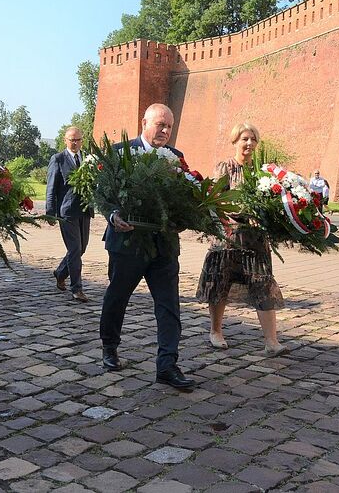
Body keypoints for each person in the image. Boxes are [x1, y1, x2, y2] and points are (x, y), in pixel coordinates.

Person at [99, 103, 196, 391]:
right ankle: (109, 347)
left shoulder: (176, 158)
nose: (165, 131)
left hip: (163, 245)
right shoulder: (119, 152)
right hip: (127, 243)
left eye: (169, 126)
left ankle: (167, 364)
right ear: (144, 122)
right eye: (160, 125)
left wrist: (183, 218)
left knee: (169, 305)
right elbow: (103, 192)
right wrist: (113, 215)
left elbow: (182, 197)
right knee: (117, 297)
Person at [196, 122, 287, 356]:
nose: (249, 144)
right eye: (244, 139)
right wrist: (243, 213)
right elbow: (216, 200)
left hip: (255, 241)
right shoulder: (226, 167)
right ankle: (216, 331)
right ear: (235, 141)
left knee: (263, 284)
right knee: (220, 283)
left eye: (253, 140)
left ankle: (271, 341)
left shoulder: (262, 173)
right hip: (228, 237)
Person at [46, 126, 94, 302]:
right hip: (67, 212)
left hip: (84, 209)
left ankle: (60, 272)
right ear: (65, 140)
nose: (75, 143)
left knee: (81, 248)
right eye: (72, 140)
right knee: (74, 249)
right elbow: (51, 187)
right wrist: (50, 212)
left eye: (78, 140)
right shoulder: (58, 159)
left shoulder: (87, 158)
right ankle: (77, 288)